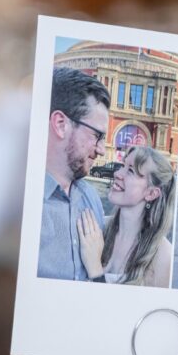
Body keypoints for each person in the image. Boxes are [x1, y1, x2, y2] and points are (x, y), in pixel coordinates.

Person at [37, 67, 110, 281]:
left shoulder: (91, 198)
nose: (102, 150)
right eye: (96, 135)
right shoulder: (23, 204)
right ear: (61, 125)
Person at [76, 146, 175, 287]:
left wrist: (95, 270)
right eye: (123, 165)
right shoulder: (98, 228)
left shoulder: (163, 256)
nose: (117, 173)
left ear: (151, 193)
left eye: (130, 171)